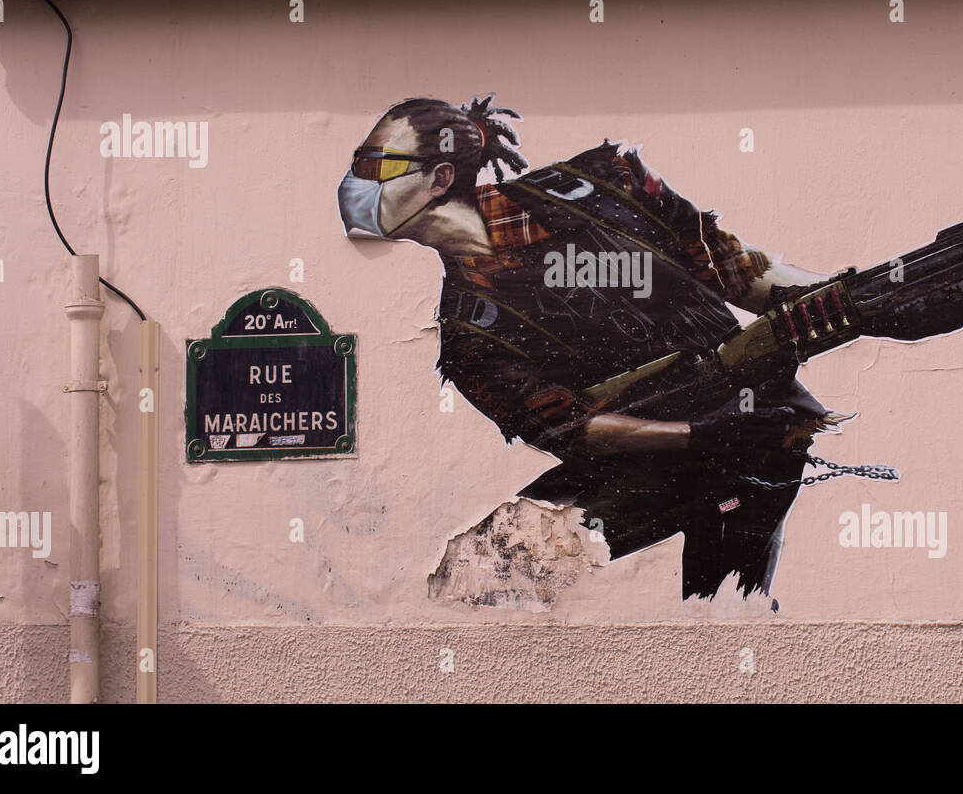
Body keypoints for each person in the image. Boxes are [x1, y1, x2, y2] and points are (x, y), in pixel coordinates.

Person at [338, 94, 853, 600]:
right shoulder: (468, 335)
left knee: (725, 612)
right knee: (476, 569)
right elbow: (570, 428)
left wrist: (853, 297)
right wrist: (697, 434)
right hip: (661, 458)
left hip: (758, 433)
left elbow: (738, 274)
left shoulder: (606, 184)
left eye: (369, 164)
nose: (354, 184)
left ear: (440, 178)